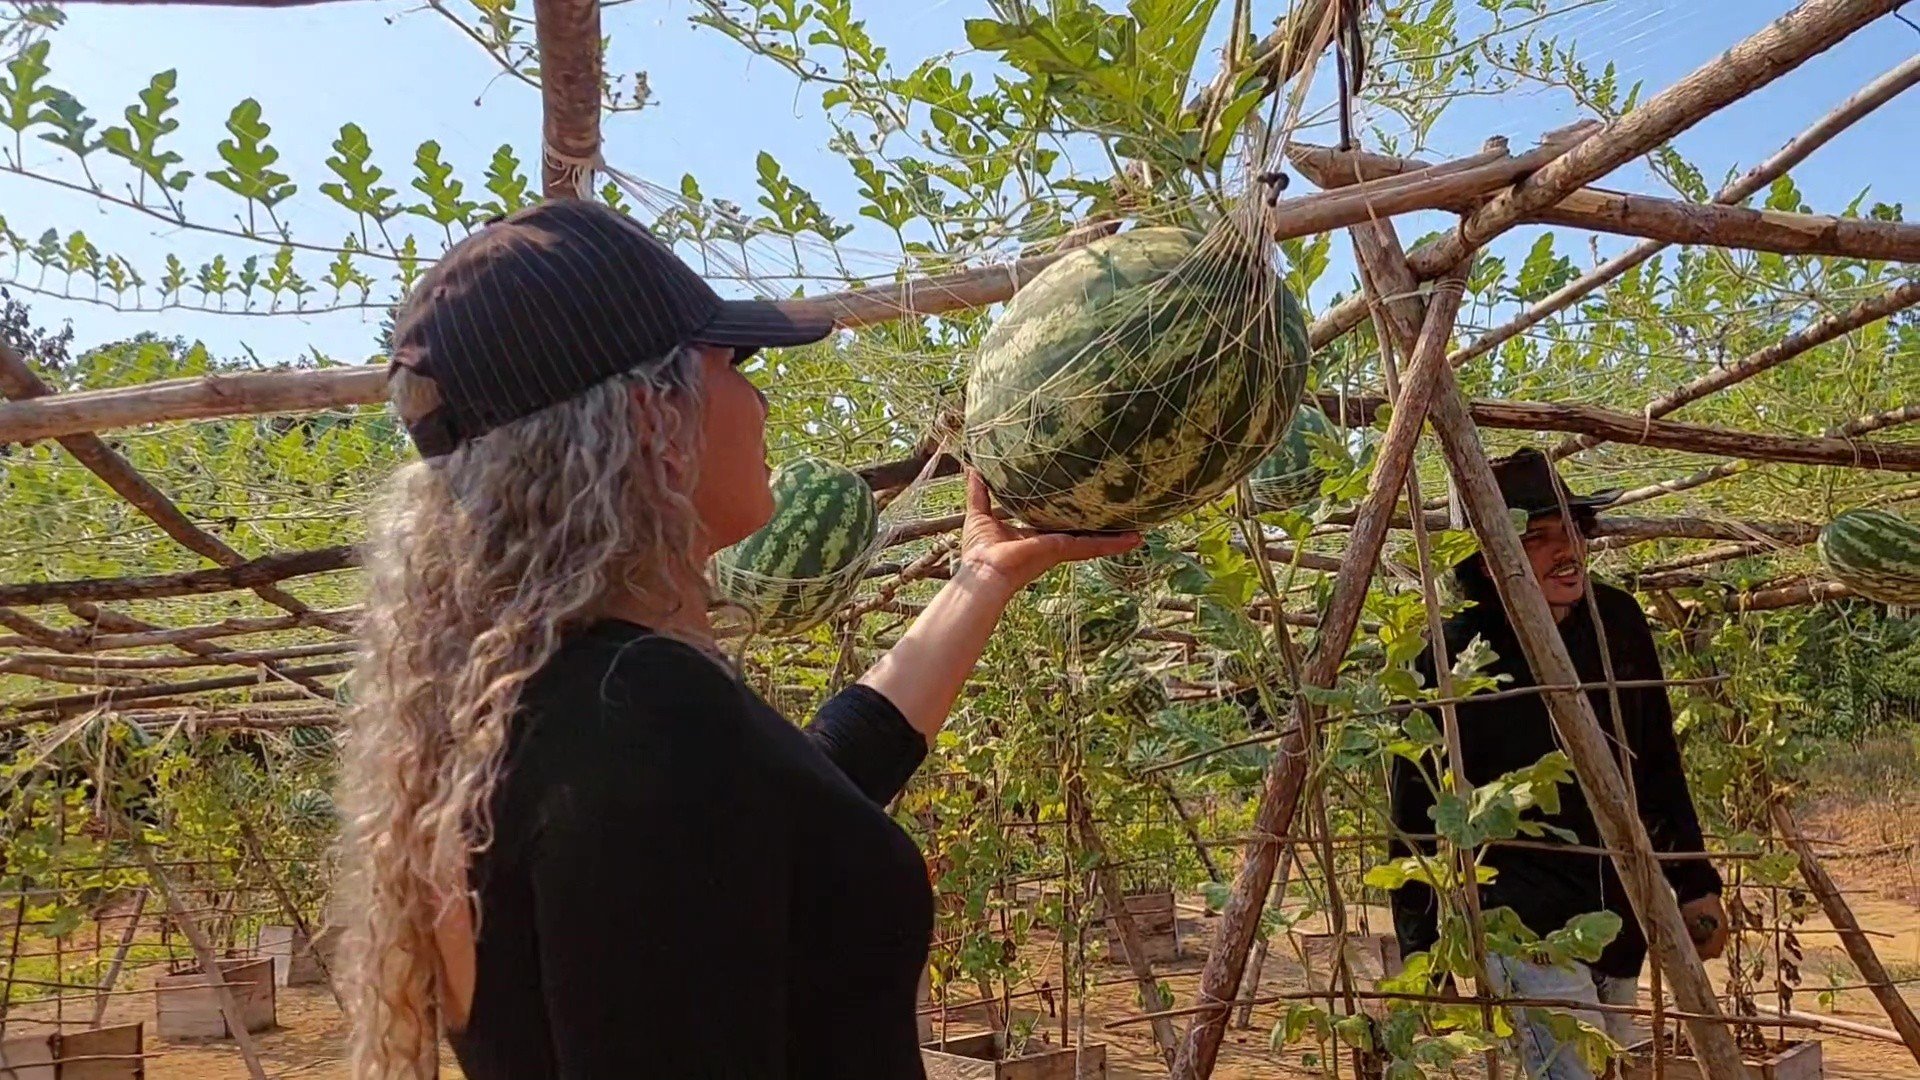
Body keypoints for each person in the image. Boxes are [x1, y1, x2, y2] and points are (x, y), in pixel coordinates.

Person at [335, 199, 1137, 1078]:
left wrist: (981, 581)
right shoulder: (642, 721)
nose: (758, 398)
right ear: (651, 417)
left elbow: (791, 806)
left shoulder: (552, 714)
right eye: (733, 363)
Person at [1387, 448, 1728, 1080]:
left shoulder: (1617, 621)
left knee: (1609, 1065)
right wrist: (1422, 948)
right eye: (1538, 538)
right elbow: (1414, 807)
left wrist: (1694, 880)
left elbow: (1656, 759)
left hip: (1620, 911)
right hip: (1523, 920)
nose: (1564, 550)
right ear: (1489, 561)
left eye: (1571, 531)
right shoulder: (1452, 650)